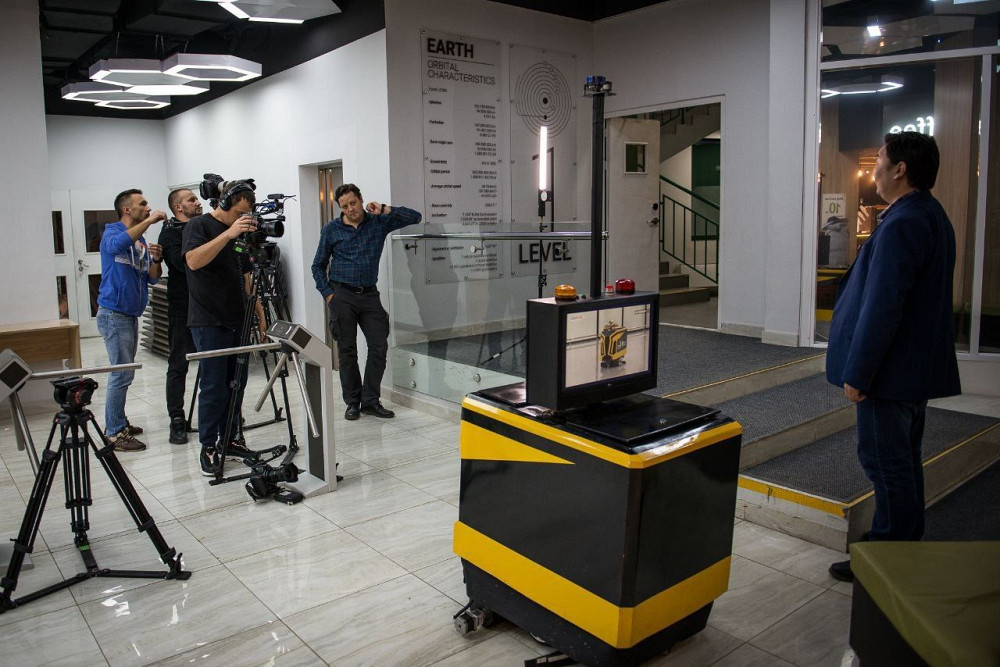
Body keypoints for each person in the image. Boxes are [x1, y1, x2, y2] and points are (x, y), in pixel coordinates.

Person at [825, 132, 961, 582]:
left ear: (900, 169)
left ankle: (887, 559)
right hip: (910, 371)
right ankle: (903, 544)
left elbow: (884, 306)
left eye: (880, 161)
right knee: (903, 460)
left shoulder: (904, 221)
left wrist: (859, 373)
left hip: (889, 374)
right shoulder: (929, 214)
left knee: (886, 463)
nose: (875, 171)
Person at [311, 183, 421, 420]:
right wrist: (328, 294)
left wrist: (385, 209)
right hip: (342, 295)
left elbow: (415, 217)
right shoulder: (331, 229)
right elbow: (318, 265)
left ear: (361, 199)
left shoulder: (378, 222)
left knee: (379, 345)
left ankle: (370, 400)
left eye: (353, 203)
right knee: (347, 351)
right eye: (344, 206)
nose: (350, 209)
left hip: (369, 295)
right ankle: (352, 402)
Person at [182, 180, 262, 475]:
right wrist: (229, 233)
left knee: (236, 384)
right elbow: (193, 261)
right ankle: (208, 445)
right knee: (214, 386)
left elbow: (246, 278)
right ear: (224, 203)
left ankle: (231, 439)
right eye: (238, 213)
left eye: (246, 215)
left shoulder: (239, 234)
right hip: (209, 320)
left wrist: (260, 317)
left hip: (238, 318)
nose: (241, 219)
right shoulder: (199, 226)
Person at [96, 189, 166, 452]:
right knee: (121, 373)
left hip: (130, 315)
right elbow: (116, 246)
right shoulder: (112, 233)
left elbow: (152, 278)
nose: (147, 207)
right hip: (114, 314)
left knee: (125, 372)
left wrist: (156, 259)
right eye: (142, 204)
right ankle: (114, 432)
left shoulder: (140, 242)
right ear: (127, 209)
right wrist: (149, 221)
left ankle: (119, 421)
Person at [158, 188, 202, 444]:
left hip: (208, 305)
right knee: (178, 364)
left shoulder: (205, 227)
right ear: (178, 207)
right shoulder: (169, 233)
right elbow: (183, 263)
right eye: (191, 200)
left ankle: (216, 412)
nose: (198, 202)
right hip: (182, 306)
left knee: (212, 362)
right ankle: (176, 418)